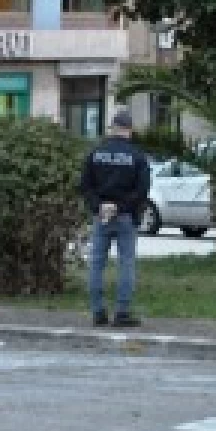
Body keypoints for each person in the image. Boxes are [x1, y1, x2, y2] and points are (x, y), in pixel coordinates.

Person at [81, 109, 152, 327]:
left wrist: (100, 206)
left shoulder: (96, 153)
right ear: (129, 130)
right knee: (126, 264)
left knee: (96, 264)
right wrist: (121, 207)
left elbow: (85, 185)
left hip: (101, 215)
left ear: (112, 128)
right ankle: (122, 313)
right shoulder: (137, 156)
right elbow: (142, 190)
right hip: (125, 217)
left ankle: (98, 312)